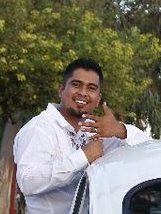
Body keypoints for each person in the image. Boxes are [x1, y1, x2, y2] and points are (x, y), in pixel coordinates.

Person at [14, 58, 149, 213]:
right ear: (61, 90)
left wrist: (121, 130)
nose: (83, 93)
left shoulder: (98, 130)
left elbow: (150, 152)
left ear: (98, 99)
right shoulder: (39, 128)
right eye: (76, 85)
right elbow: (28, 182)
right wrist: (83, 156)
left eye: (91, 88)